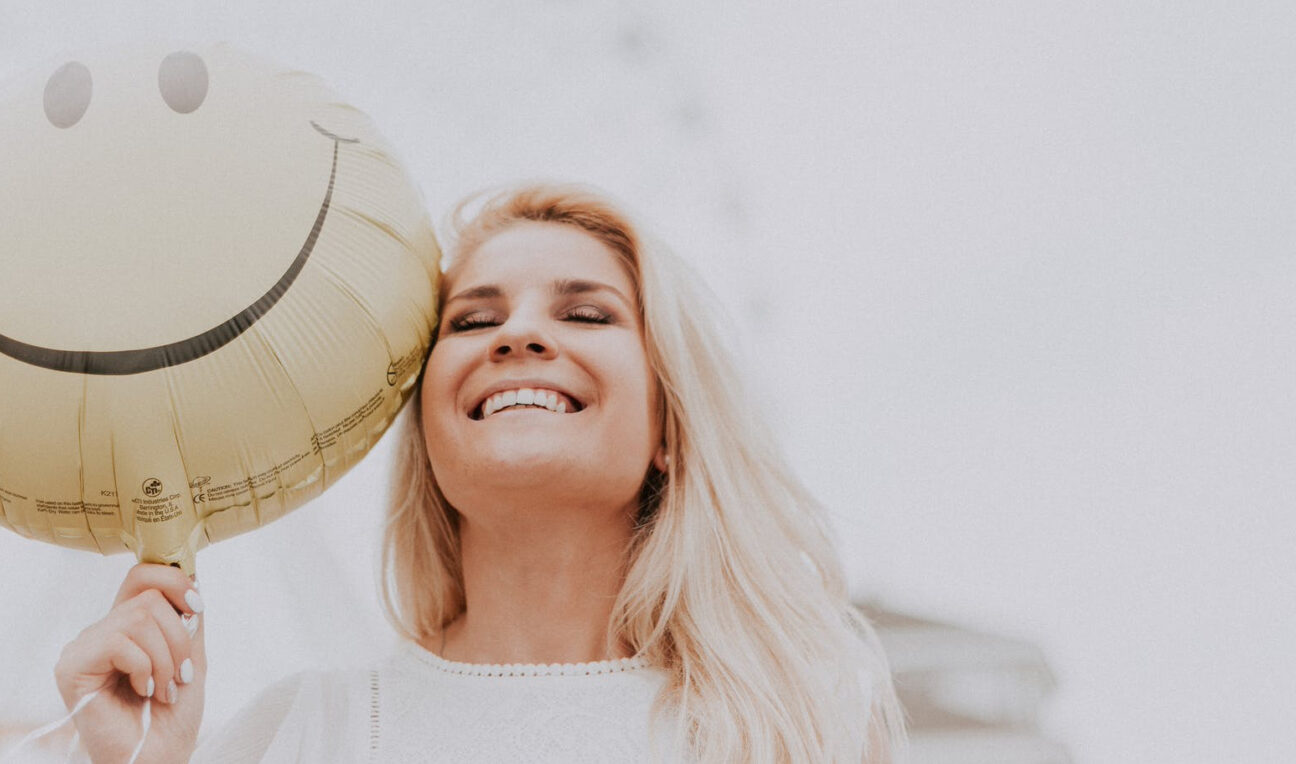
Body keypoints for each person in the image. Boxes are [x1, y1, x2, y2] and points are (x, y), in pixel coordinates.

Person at [54, 183, 907, 762]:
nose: (519, 337)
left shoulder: (794, 733)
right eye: (472, 320)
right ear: (426, 428)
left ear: (670, 430)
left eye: (585, 312)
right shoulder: (307, 732)